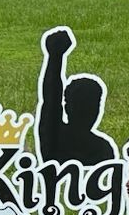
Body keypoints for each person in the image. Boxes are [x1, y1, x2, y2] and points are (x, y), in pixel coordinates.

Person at [36, 27, 117, 166]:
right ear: (67, 106)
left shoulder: (103, 148)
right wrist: (55, 57)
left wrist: (56, 55)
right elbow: (51, 100)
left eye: (93, 104)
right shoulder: (55, 137)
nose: (88, 111)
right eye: (82, 105)